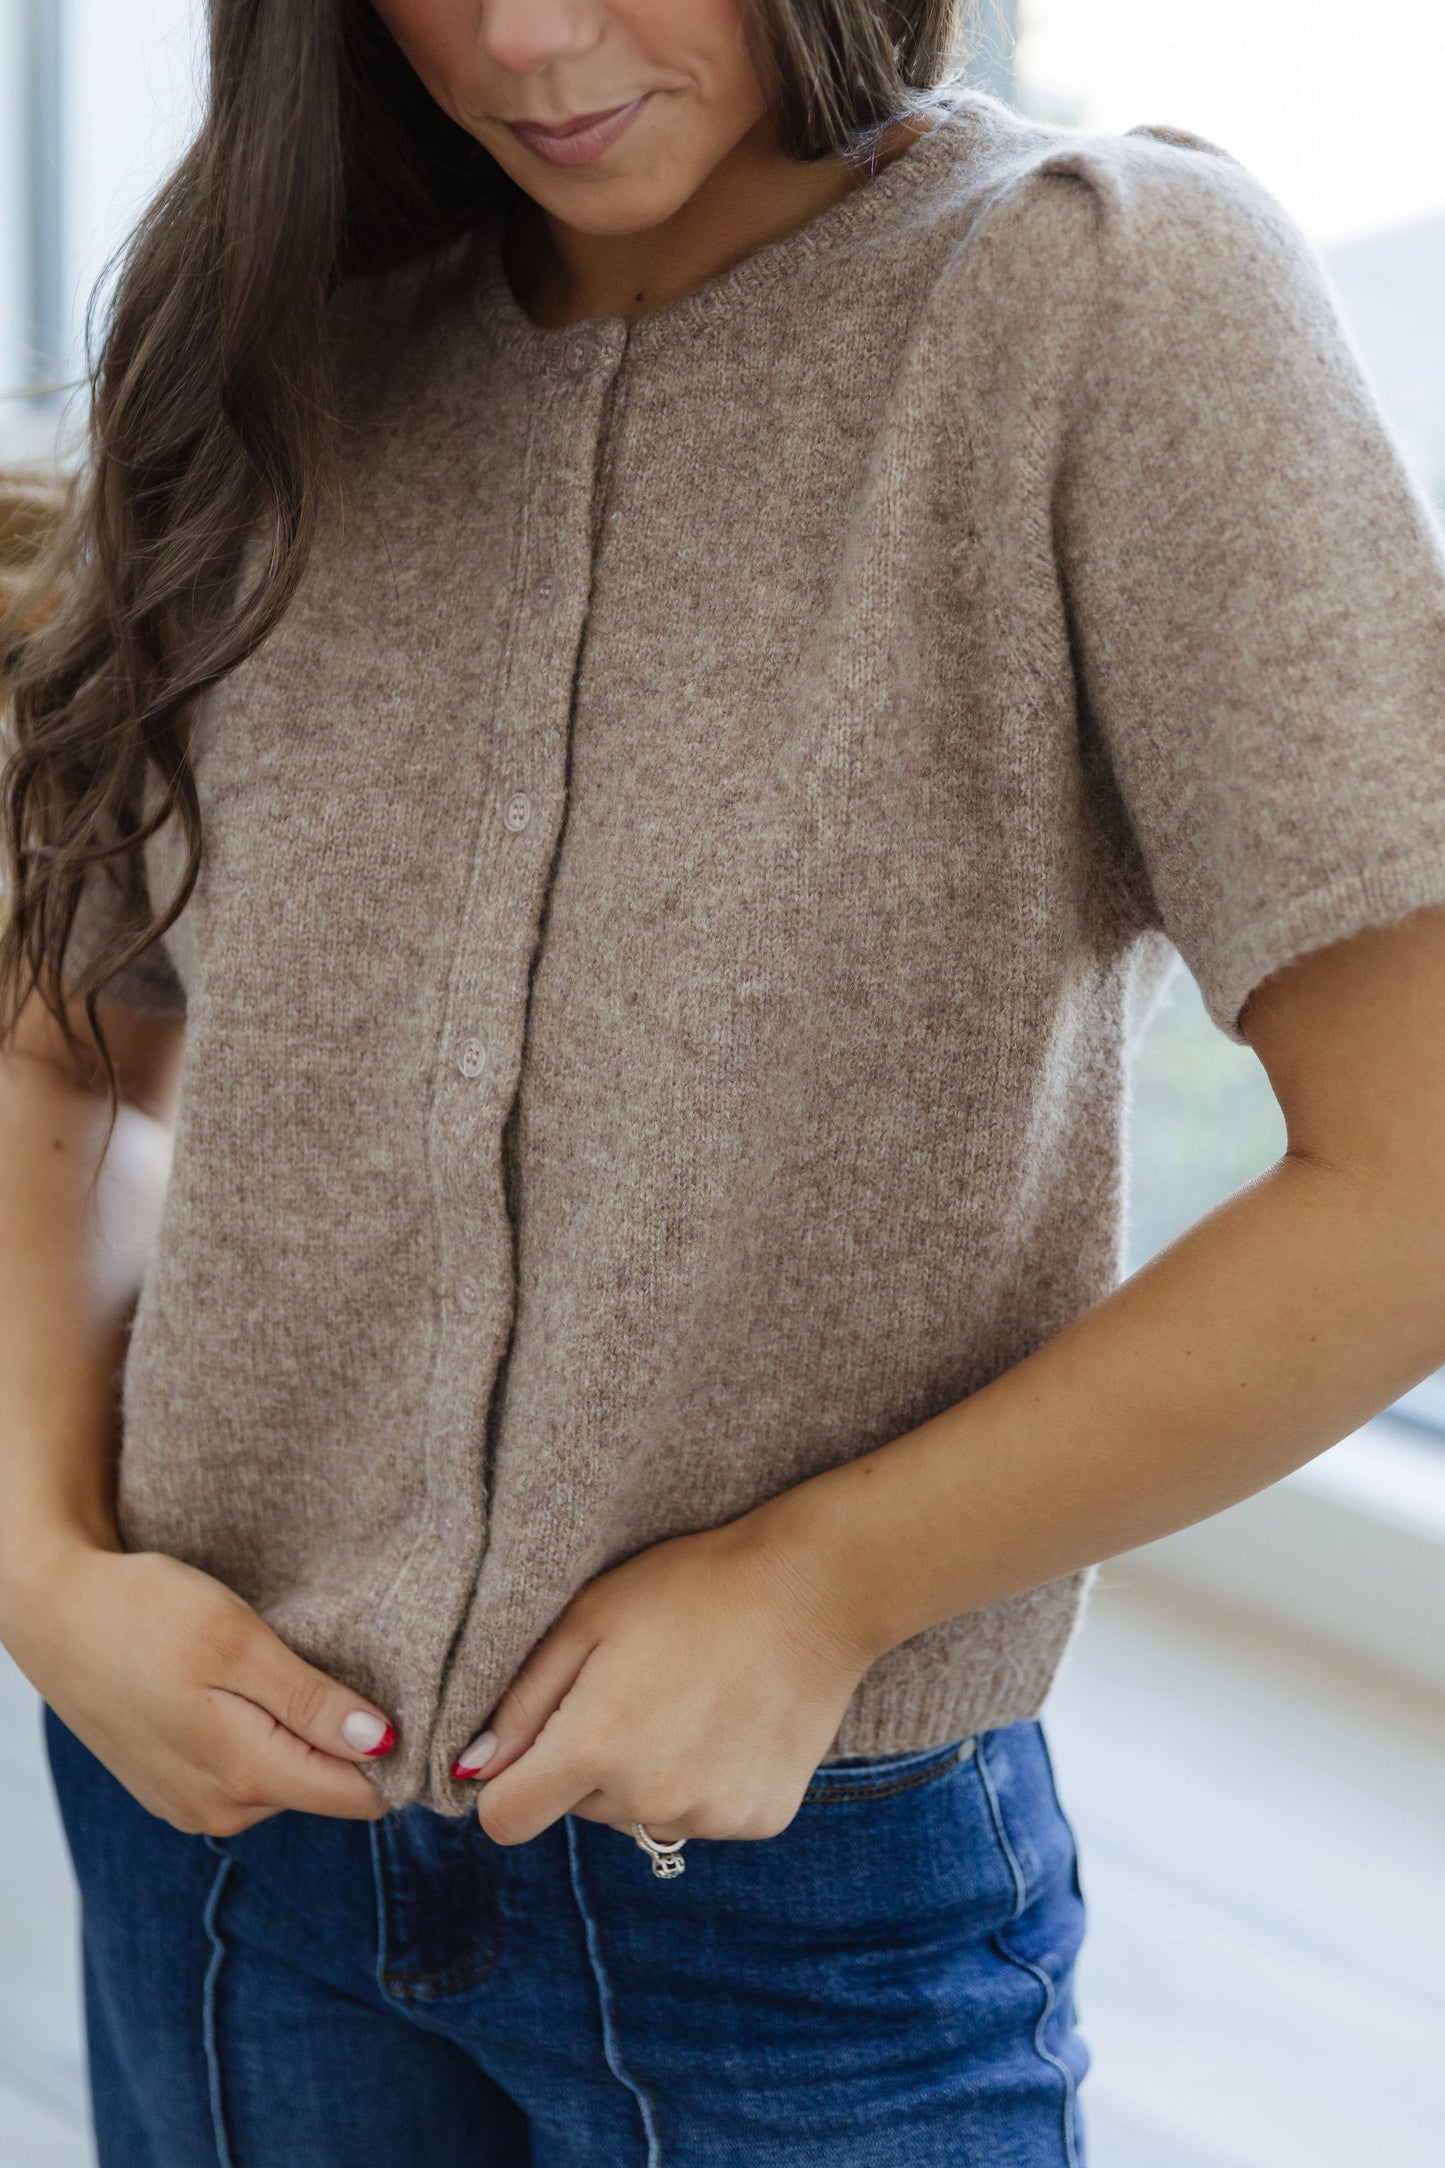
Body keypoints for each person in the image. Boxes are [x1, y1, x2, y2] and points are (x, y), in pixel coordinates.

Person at [3, 2, 1445, 2162]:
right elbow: (60, 1039)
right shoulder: (267, 354)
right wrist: (40, 1568)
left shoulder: (1100, 297)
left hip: (799, 1896)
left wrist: (823, 1583)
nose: (526, 35)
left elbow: (1413, 1173)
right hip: (214, 1842)